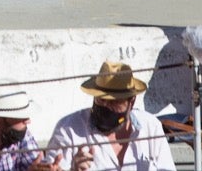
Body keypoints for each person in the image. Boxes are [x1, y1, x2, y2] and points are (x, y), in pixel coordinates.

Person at [48, 61, 176, 171]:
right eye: (100, 99)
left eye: (114, 101)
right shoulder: (68, 129)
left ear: (131, 102)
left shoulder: (150, 127)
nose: (105, 106)